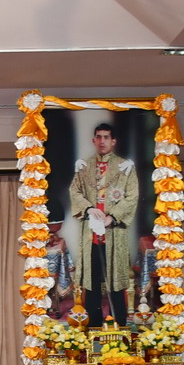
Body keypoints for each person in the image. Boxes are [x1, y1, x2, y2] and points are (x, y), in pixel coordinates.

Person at [66, 121, 138, 326]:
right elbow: (74, 192)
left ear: (113, 141)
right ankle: (94, 329)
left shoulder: (125, 167)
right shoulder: (84, 167)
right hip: (91, 236)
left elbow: (132, 196)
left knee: (115, 284)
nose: (102, 141)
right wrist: (89, 209)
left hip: (114, 235)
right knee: (92, 286)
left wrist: (112, 217)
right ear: (93, 140)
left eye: (106, 137)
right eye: (99, 137)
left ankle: (120, 328)